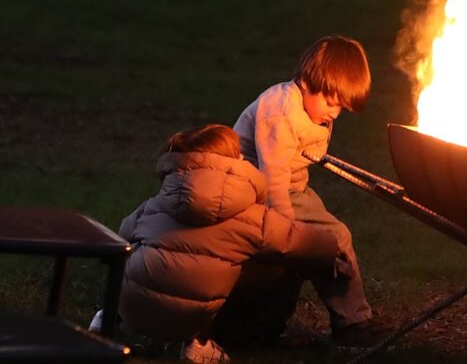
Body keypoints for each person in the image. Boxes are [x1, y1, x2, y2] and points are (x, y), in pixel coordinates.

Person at [108, 124, 340, 364]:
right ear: (232, 160)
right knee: (282, 263)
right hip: (191, 320)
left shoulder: (157, 203)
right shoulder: (250, 215)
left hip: (133, 312)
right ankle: (205, 343)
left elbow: (123, 232)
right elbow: (303, 242)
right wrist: (333, 250)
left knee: (143, 253)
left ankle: (106, 317)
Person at [232, 34, 388, 348]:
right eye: (331, 102)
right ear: (305, 83)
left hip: (293, 187)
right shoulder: (280, 113)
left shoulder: (312, 107)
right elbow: (273, 179)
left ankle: (349, 319)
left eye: (341, 107)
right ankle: (352, 322)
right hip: (256, 188)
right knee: (334, 238)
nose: (334, 112)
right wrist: (288, 230)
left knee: (330, 239)